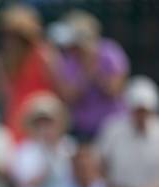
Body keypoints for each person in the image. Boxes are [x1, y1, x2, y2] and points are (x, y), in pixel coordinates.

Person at [52, 10, 129, 141]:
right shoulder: (67, 60)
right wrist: (86, 74)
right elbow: (67, 97)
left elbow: (115, 89)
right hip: (83, 130)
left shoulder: (110, 52)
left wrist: (94, 68)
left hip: (112, 127)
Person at [0, 4, 54, 143]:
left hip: (41, 116)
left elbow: (55, 83)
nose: (9, 40)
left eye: (15, 36)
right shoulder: (6, 60)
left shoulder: (43, 54)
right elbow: (3, 94)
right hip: (16, 119)